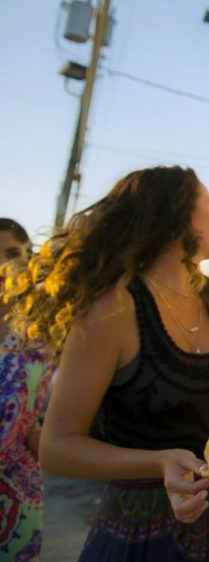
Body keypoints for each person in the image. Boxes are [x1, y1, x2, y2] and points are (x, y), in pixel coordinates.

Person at [3, 166, 209, 560]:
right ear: (177, 219)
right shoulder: (113, 309)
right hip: (140, 533)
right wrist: (159, 463)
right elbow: (57, 447)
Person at [0, 218, 53, 560]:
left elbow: (40, 418)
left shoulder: (42, 332)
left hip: (18, 494)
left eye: (12, 253)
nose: (3, 264)